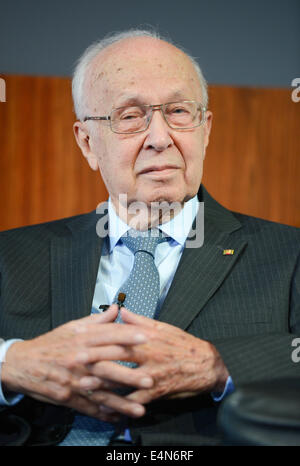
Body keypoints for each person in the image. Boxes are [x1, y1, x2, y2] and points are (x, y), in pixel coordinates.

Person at [0, 29, 299, 447]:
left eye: (179, 111)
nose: (160, 138)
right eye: (129, 115)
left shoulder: (290, 255)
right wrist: (10, 363)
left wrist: (217, 366)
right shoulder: (9, 256)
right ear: (87, 143)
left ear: (205, 129)